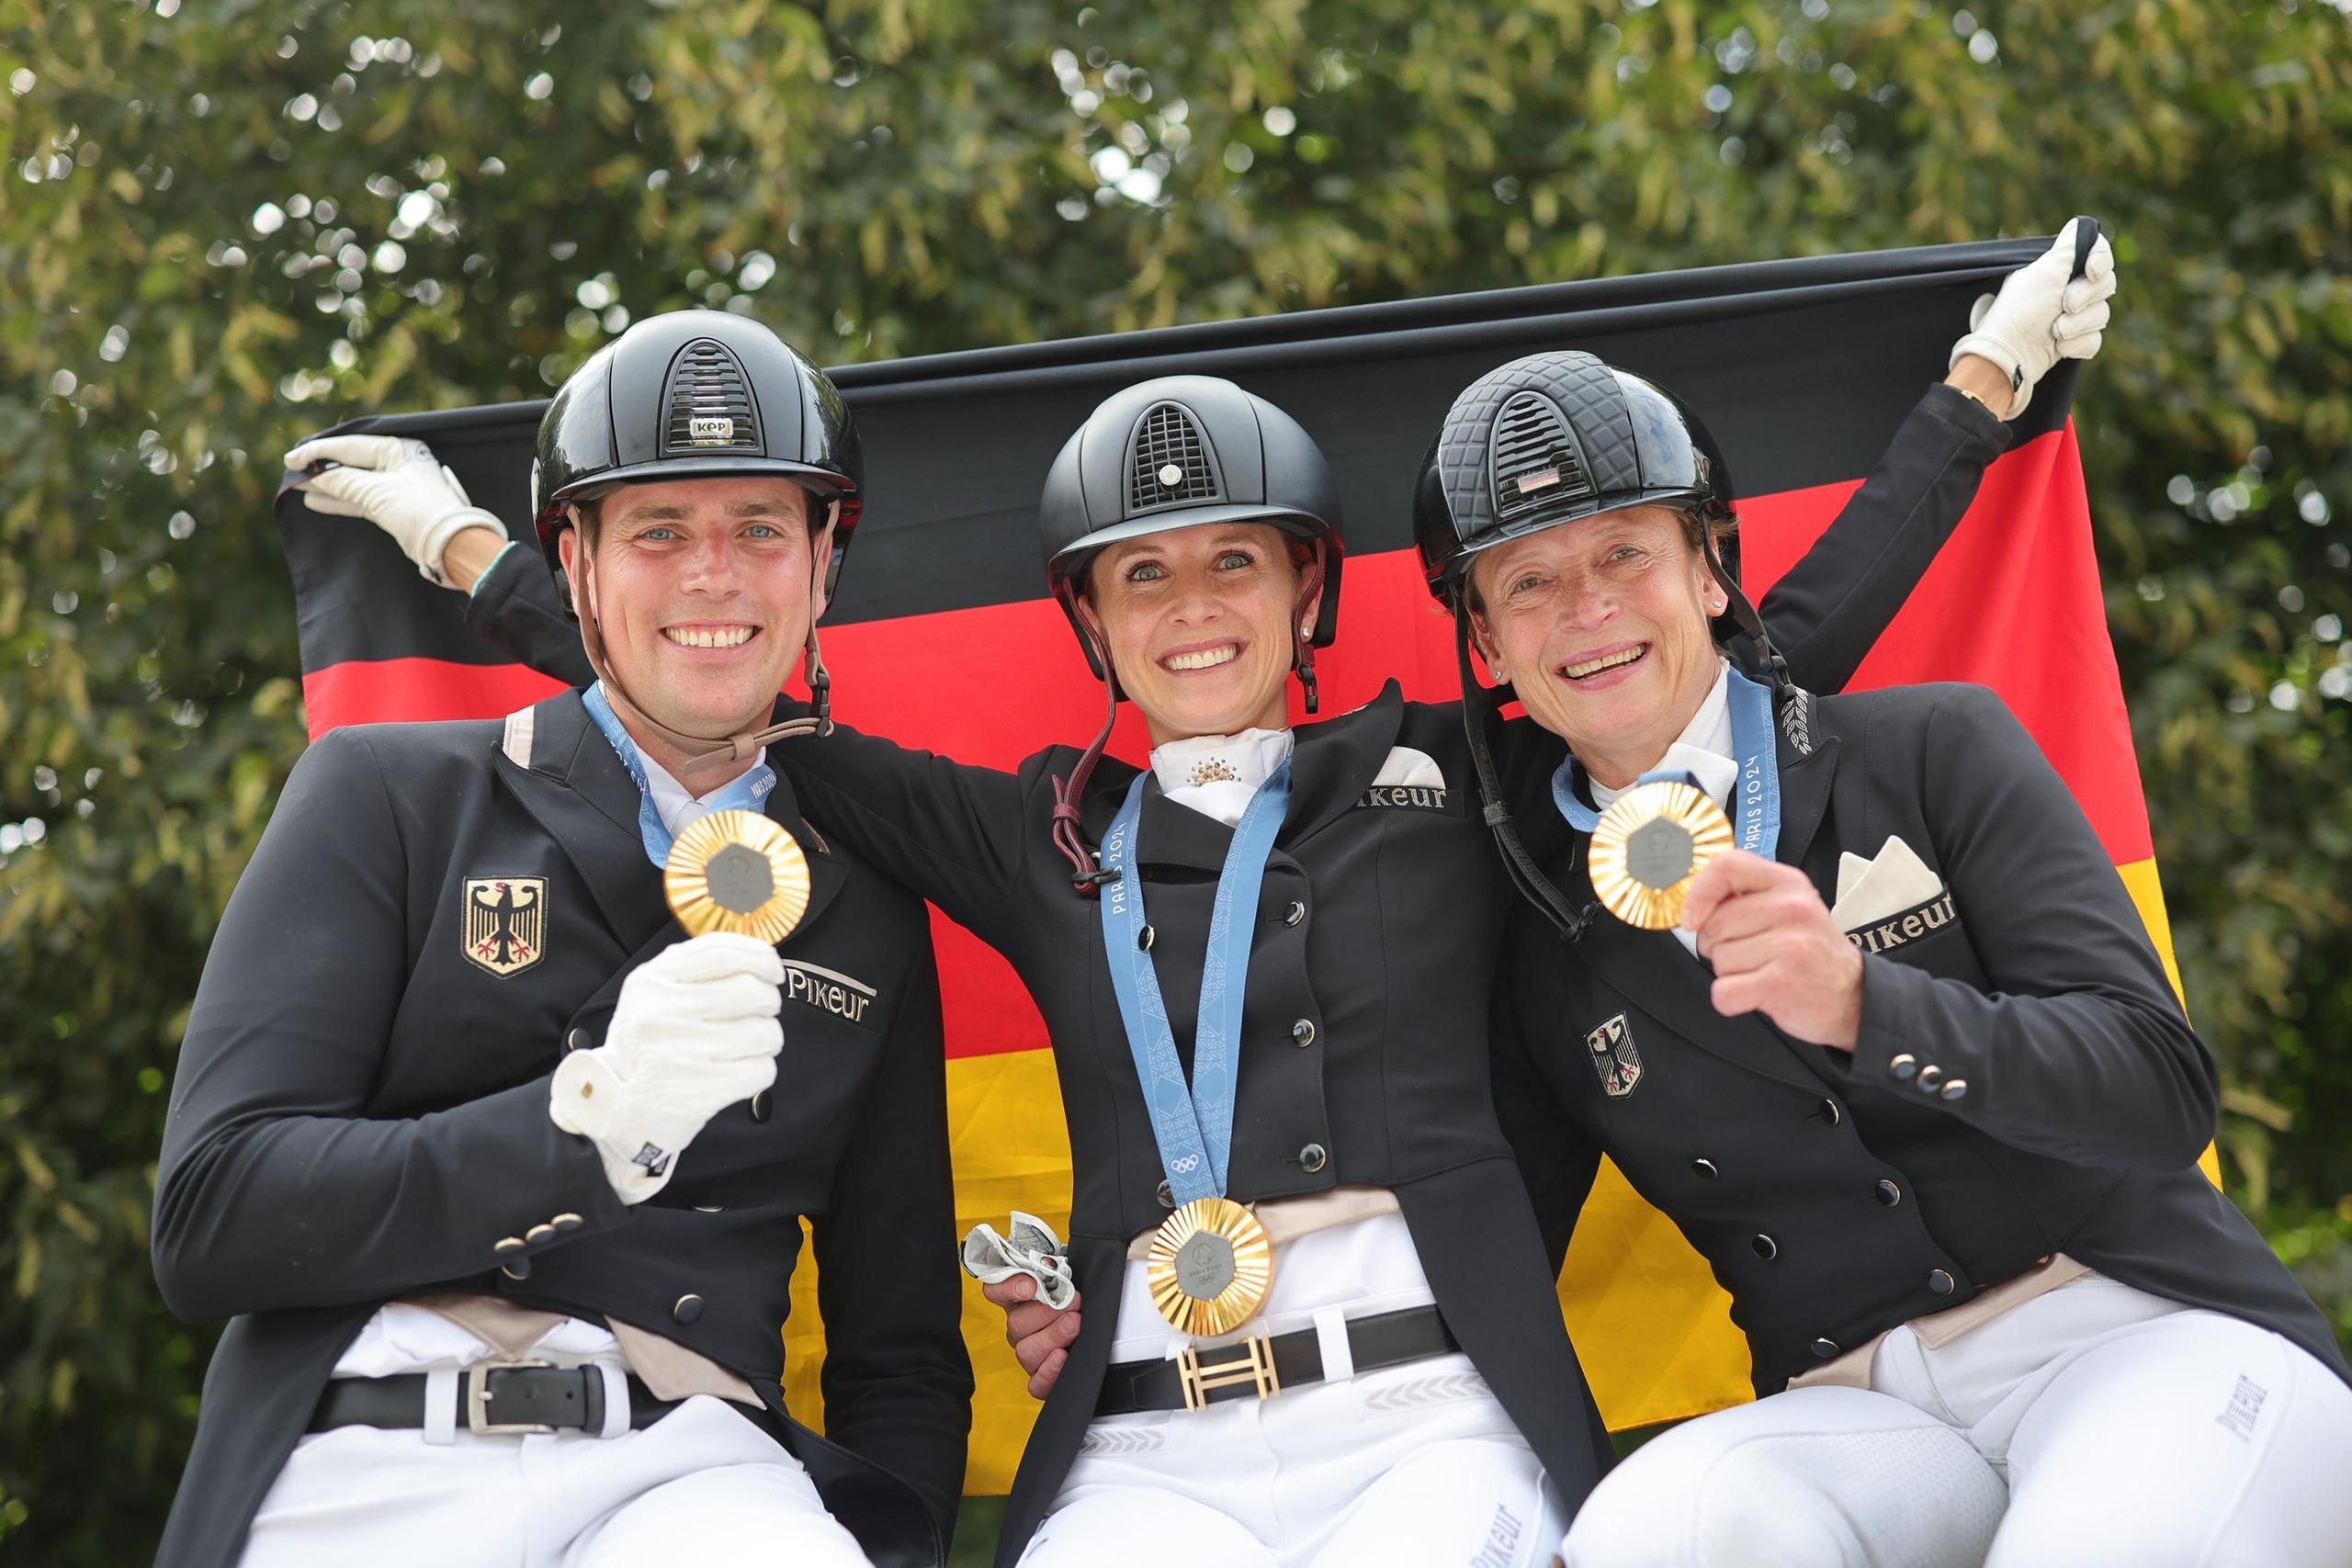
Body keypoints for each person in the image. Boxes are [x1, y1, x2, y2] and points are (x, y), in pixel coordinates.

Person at [344, 229, 2096, 1566]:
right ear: (1089, 624)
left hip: (1436, 1416)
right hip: (1136, 1439)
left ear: (1308, 591)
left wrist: (1976, 401)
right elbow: (725, 689)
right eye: (1145, 578)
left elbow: (1731, 665)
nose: (1194, 611)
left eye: (1234, 564)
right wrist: (471, 553)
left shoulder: (1461, 776)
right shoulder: (1031, 834)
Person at [1411, 344, 2352, 1567]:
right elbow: (1496, 1235)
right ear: (1487, 645)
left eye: (1625, 553)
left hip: (2132, 1324)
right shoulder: (1537, 929)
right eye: (1528, 582)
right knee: (1654, 1537)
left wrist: (1869, 1004)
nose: (1586, 609)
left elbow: (2160, 1090)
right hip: (1854, 1406)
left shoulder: (1935, 747)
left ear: (1710, 567)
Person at [153, 310, 971, 1568]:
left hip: (695, 1477)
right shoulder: (387, 793)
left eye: (761, 527)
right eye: (657, 531)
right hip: (371, 1443)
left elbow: (901, 1349)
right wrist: (576, 1129)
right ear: (577, 567)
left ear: (822, 567)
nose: (715, 574)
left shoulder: (866, 901)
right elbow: (212, 1218)